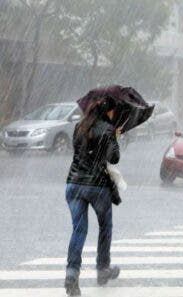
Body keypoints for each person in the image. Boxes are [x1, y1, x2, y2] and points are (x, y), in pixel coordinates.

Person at [64, 96, 121, 296]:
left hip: (73, 184)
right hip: (97, 186)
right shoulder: (107, 129)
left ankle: (71, 274)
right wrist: (114, 136)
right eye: (114, 111)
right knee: (105, 227)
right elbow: (114, 158)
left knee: (78, 230)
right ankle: (103, 269)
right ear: (108, 111)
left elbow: (80, 153)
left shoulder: (79, 127)